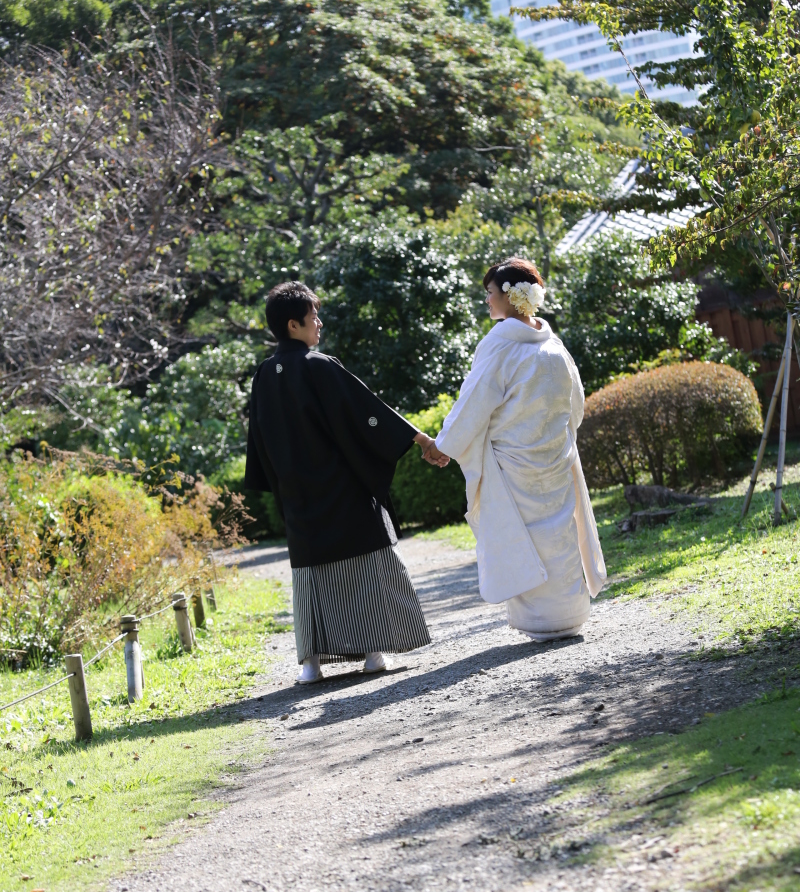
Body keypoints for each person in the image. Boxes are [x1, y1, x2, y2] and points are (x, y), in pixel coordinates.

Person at [244, 281, 447, 684]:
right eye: (312, 317)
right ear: (293, 325)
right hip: (343, 488)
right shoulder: (318, 364)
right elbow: (367, 410)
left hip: (298, 496)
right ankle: (373, 651)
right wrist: (420, 439)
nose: (319, 322)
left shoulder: (264, 375)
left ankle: (311, 663)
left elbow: (260, 443)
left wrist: (284, 489)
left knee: (311, 577)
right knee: (368, 566)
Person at [430, 256, 606, 640]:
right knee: (559, 531)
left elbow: (474, 402)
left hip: (513, 462)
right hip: (555, 455)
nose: (488, 301)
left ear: (510, 296)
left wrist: (444, 445)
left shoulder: (499, 344)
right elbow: (575, 405)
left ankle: (541, 621)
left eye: (491, 293)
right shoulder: (554, 346)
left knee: (525, 537)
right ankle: (571, 613)